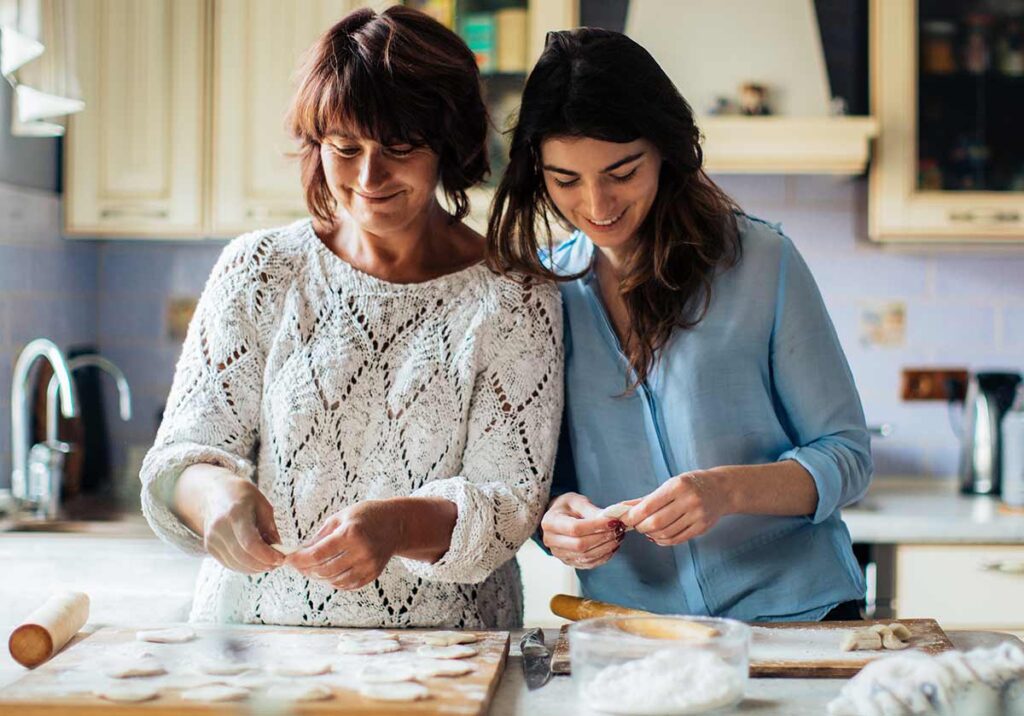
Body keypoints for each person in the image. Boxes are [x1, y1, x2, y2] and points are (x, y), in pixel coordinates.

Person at [139, 6, 563, 629]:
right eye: (345, 148)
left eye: (399, 148)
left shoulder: (516, 295)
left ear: (447, 147)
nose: (369, 177)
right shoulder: (259, 270)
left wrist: (394, 526)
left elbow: (508, 504)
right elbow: (180, 455)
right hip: (257, 643)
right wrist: (214, 495)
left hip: (445, 653)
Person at [487, 28, 872, 622]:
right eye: (566, 180)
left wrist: (725, 490)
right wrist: (556, 521)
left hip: (801, 621)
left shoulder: (762, 263)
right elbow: (545, 482)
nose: (597, 203)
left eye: (622, 171)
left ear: (665, 149)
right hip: (636, 634)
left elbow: (846, 456)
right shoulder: (544, 297)